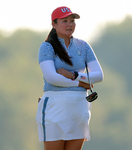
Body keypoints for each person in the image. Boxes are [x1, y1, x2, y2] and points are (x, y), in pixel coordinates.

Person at [36, 6, 103, 150]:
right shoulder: (47, 47)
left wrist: (74, 75)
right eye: (64, 21)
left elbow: (98, 75)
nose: (69, 24)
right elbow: (52, 78)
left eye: (72, 21)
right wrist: (81, 83)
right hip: (55, 106)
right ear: (54, 24)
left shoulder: (83, 46)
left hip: (79, 107)